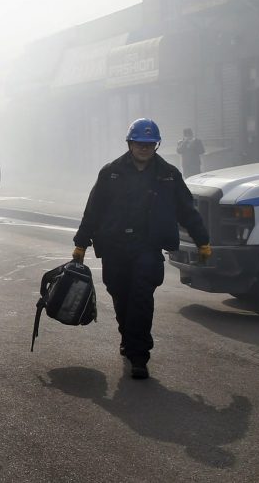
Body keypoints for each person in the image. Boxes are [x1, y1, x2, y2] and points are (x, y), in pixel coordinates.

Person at [73, 118, 211, 379]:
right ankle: (127, 335)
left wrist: (202, 240)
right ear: (130, 143)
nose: (144, 148)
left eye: (149, 144)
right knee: (120, 294)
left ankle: (139, 356)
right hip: (114, 246)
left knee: (141, 299)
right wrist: (81, 243)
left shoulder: (169, 175)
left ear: (156, 145)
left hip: (148, 247)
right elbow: (93, 210)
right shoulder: (110, 172)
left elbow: (187, 212)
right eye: (139, 143)